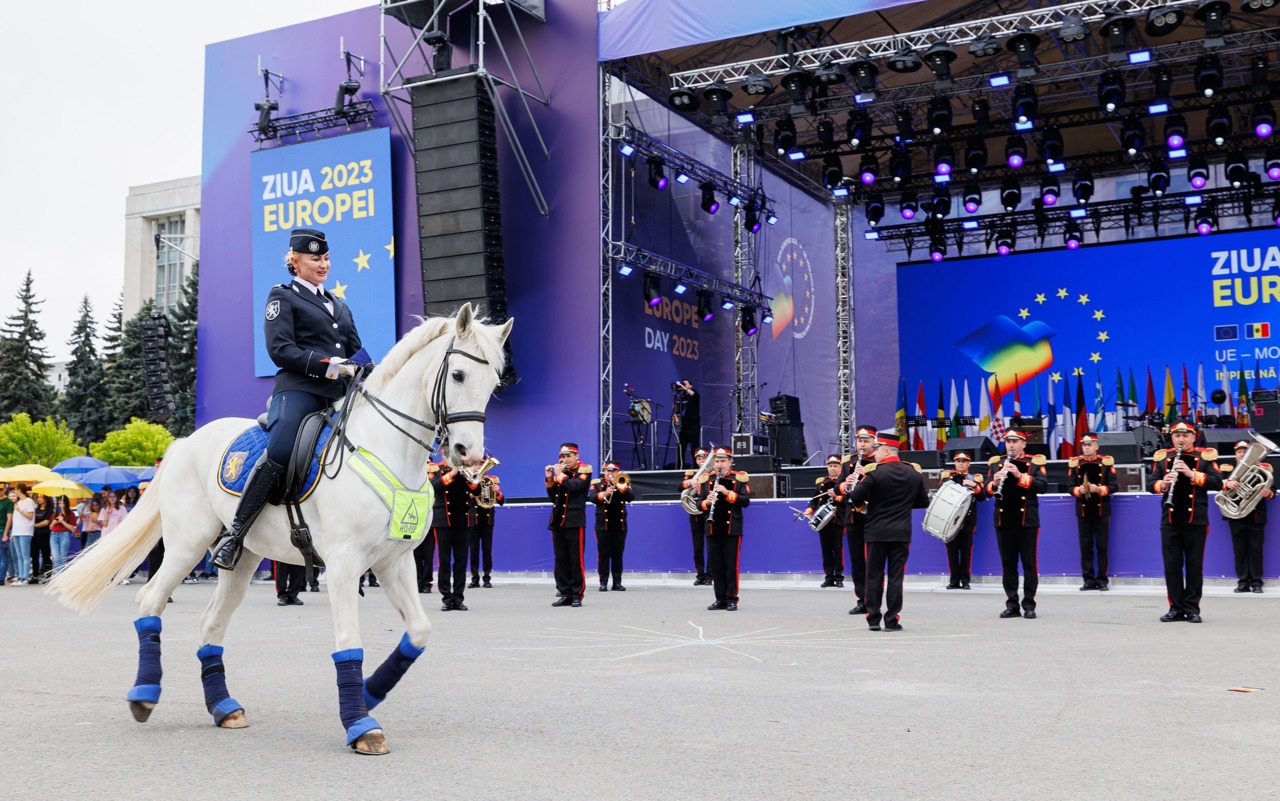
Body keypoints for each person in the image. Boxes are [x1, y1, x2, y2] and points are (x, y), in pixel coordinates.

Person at [212, 228, 365, 570]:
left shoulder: (339, 305)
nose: (323, 264)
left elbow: (357, 352)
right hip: (300, 391)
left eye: (326, 258)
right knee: (280, 450)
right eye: (315, 258)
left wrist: (373, 371)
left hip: (340, 398)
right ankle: (234, 534)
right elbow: (281, 350)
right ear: (295, 262)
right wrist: (329, 367)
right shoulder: (282, 297)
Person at [847, 431, 930, 631]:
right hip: (901, 532)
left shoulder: (875, 473)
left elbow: (855, 496)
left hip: (876, 531)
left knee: (874, 576)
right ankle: (892, 620)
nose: (874, 454)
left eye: (876, 450)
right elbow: (923, 502)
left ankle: (873, 619)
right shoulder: (913, 473)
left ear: (885, 450)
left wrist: (867, 506)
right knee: (896, 577)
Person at [1149, 421, 1223, 623]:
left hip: (1196, 520)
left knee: (1194, 565)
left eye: (1185, 436)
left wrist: (1192, 474)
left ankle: (1192, 608)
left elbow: (1218, 482)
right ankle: (1175, 607)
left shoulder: (1204, 456)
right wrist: (1162, 484)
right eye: (1177, 436)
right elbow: (1150, 483)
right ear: (1172, 437)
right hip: (1170, 519)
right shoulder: (1164, 458)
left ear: (1193, 437)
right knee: (1171, 566)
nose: (1181, 439)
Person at [986, 430, 1049, 619]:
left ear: (1023, 444)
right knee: (1008, 564)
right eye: (1008, 442)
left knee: (1029, 563)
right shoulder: (997, 463)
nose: (1011, 445)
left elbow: (1042, 486)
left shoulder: (1034, 462)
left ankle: (1029, 604)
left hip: (1026, 520)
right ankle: (1012, 603)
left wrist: (1019, 475)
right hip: (1003, 519)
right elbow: (987, 489)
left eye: (1015, 442)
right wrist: (996, 482)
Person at [700, 447, 750, 610]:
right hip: (712, 527)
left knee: (730, 564)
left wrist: (727, 492)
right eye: (717, 461)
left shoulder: (739, 478)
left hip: (732, 528)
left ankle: (731, 598)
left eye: (723, 461)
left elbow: (745, 501)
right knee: (716, 565)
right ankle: (719, 598)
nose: (719, 465)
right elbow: (698, 504)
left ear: (730, 462)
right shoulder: (707, 479)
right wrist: (707, 501)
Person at [1222, 439, 1274, 594]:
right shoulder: (1227, 469)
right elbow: (1216, 482)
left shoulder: (1263, 469)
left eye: (1246, 451)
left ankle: (1257, 582)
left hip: (1256, 515)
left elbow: (1273, 489)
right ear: (1235, 454)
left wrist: (1268, 493)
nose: (1243, 454)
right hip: (1236, 514)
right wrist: (1227, 484)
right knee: (1240, 550)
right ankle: (1243, 581)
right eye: (1239, 452)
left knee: (1256, 550)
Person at [1068, 433, 1119, 591]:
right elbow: (1069, 487)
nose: (1087, 447)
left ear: (1097, 446)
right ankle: (1088, 580)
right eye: (1084, 445)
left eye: (1090, 444)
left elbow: (1115, 486)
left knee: (1102, 546)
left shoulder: (1106, 462)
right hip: (1083, 510)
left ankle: (1102, 580)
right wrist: (1079, 490)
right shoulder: (1075, 463)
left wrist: (1100, 489)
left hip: (1101, 509)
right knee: (1085, 546)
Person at [546, 443, 591, 607]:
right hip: (557, 521)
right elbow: (553, 498)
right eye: (562, 457)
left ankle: (577, 594)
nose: (565, 460)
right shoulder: (560, 473)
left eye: (568, 456)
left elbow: (576, 486)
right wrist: (550, 478)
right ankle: (564, 593)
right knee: (561, 559)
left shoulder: (584, 470)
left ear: (576, 456)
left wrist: (560, 475)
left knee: (575, 559)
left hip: (574, 520)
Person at [431, 460, 478, 611]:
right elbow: (432, 487)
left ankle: (458, 598)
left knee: (461, 562)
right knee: (444, 561)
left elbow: (477, 491)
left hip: (463, 521)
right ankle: (446, 598)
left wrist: (470, 478)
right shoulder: (437, 469)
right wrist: (452, 474)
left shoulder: (467, 471)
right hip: (444, 520)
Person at [843, 426, 877, 613]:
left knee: (872, 560)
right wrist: (846, 485)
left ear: (873, 442)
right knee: (857, 560)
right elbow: (840, 485)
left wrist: (865, 477)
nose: (862, 445)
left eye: (866, 441)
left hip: (872, 516)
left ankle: (873, 598)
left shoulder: (877, 461)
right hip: (853, 517)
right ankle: (861, 599)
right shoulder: (849, 461)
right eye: (860, 441)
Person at [940, 453, 985, 589]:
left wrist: (974, 486)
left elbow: (982, 497)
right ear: (954, 463)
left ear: (968, 464)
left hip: (968, 519)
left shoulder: (975, 478)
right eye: (958, 461)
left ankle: (965, 581)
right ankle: (954, 580)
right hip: (951, 519)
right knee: (951, 550)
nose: (961, 463)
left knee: (966, 550)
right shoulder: (947, 477)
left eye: (964, 461)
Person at [803, 456, 849, 587]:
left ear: (840, 468)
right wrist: (809, 510)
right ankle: (829, 576)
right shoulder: (822, 483)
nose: (833, 469)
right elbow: (814, 500)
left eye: (835, 466)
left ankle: (839, 577)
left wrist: (837, 496)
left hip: (838, 519)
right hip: (824, 521)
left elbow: (851, 501)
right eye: (830, 466)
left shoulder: (845, 483)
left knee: (838, 548)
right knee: (826, 549)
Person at [589, 461, 636, 591]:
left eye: (613, 471)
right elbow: (592, 498)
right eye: (608, 471)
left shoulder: (624, 482)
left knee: (617, 555)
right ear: (604, 471)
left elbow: (631, 497)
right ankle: (603, 582)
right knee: (603, 555)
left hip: (619, 524)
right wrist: (605, 493)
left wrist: (622, 488)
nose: (610, 473)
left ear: (618, 472)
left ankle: (617, 583)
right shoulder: (597, 484)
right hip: (603, 524)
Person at [468, 465, 504, 589]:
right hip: (474, 519)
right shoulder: (470, 479)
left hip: (487, 519)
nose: (479, 467)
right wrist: (470, 496)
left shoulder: (492, 480)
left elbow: (501, 501)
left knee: (487, 550)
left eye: (482, 464)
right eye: (477, 464)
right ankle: (474, 578)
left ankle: (487, 578)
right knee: (473, 550)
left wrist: (497, 492)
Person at [681, 448, 712, 585]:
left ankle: (710, 575)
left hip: (709, 512)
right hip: (695, 515)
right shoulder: (691, 474)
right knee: (697, 546)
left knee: (711, 545)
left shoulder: (713, 474)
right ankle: (700, 574)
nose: (702, 461)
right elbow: (679, 488)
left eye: (704, 458)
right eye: (699, 459)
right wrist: (689, 483)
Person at [10, 485, 36, 586]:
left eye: (15, 490)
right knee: (19, 556)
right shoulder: (18, 503)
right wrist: (13, 533)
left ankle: (25, 577)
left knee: (25, 556)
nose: (14, 492)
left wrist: (20, 511)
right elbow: (15, 520)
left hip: (25, 531)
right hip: (17, 531)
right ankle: (20, 576)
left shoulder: (28, 501)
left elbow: (30, 516)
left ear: (19, 490)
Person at [673, 379, 701, 469]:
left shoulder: (695, 394)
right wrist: (676, 408)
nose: (682, 386)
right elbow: (679, 412)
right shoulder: (683, 397)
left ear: (690, 385)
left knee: (694, 447)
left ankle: (696, 467)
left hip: (694, 425)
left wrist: (684, 388)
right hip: (685, 425)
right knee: (681, 447)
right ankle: (680, 466)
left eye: (684, 384)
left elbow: (693, 395)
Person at [48, 495, 77, 573]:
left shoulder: (70, 514)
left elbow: (73, 529)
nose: (61, 504)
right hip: (53, 535)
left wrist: (63, 522)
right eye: (59, 502)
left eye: (63, 502)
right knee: (56, 557)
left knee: (62, 557)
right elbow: (50, 527)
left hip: (64, 535)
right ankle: (59, 576)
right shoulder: (55, 513)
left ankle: (60, 577)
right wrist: (54, 522)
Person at [31, 493, 53, 582]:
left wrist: (35, 525)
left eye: (41, 497)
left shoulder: (50, 510)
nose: (39, 499)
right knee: (34, 555)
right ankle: (35, 575)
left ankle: (48, 575)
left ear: (46, 499)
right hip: (35, 534)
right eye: (38, 497)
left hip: (45, 534)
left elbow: (46, 522)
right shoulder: (36, 509)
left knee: (46, 555)